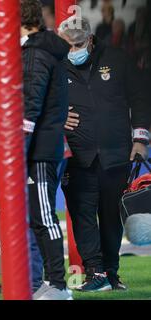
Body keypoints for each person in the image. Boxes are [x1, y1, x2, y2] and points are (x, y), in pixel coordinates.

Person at [59, 16, 150, 291]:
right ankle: (95, 273)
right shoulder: (55, 62)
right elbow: (38, 101)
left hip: (116, 153)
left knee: (112, 216)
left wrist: (141, 140)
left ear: (90, 39)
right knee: (82, 215)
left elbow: (140, 98)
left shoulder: (118, 59)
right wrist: (58, 117)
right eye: (68, 45)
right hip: (76, 155)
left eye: (77, 44)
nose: (73, 50)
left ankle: (111, 273)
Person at [20, 0, 71, 300]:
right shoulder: (47, 50)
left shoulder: (36, 53)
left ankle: (58, 285)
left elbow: (30, 105)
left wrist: (19, 151)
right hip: (44, 145)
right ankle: (51, 283)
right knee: (40, 217)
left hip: (39, 150)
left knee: (44, 218)